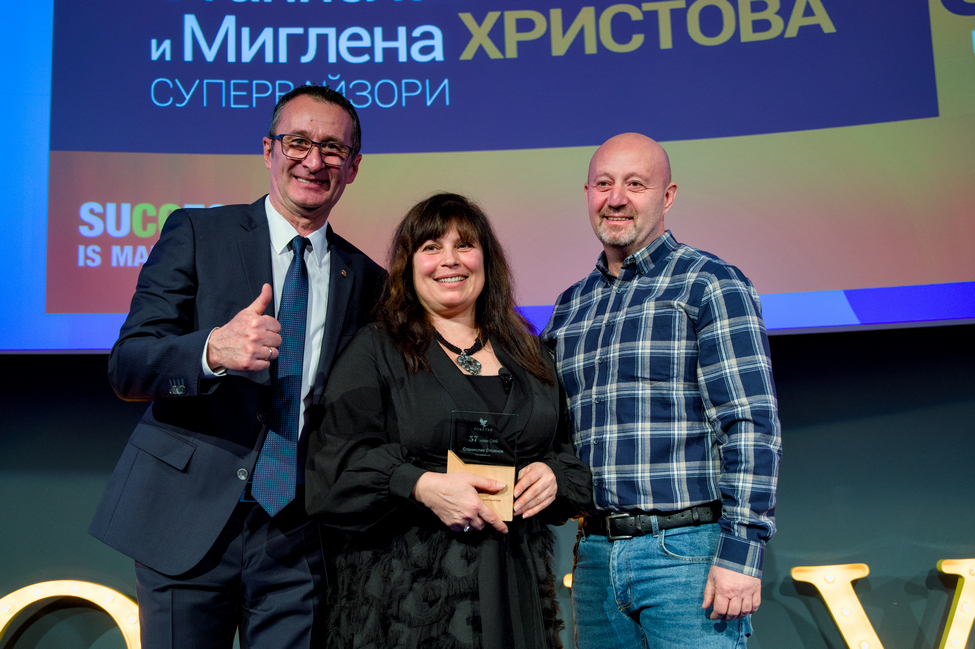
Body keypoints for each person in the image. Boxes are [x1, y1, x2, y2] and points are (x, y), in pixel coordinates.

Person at [89, 85, 386, 649]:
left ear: (352, 167)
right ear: (268, 150)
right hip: (185, 520)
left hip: (297, 532)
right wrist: (210, 351)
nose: (314, 161)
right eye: (297, 142)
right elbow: (127, 366)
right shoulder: (198, 233)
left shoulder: (369, 279)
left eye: (332, 148)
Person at [305, 192, 593, 649]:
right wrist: (419, 485)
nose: (449, 260)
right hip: (409, 596)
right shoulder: (376, 349)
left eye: (464, 245)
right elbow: (333, 468)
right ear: (408, 264)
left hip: (514, 585)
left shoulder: (529, 353)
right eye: (431, 247)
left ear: (486, 259)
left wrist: (554, 476)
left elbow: (566, 454)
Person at [541, 133, 782, 648]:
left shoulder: (710, 283)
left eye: (635, 184)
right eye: (603, 184)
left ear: (667, 196)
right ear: (587, 193)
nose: (616, 198)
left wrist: (742, 553)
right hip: (595, 558)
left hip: (686, 556)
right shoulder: (569, 307)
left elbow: (750, 425)